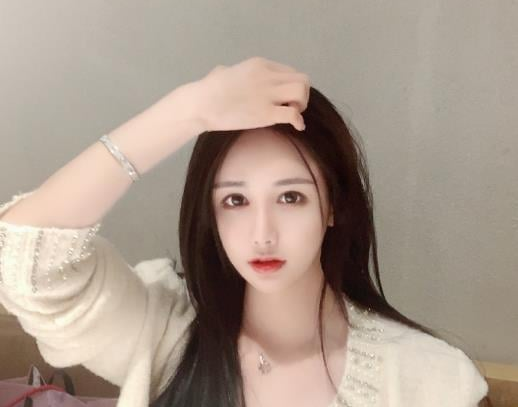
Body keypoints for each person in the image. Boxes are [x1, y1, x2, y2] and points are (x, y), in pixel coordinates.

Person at [0, 56, 490, 407]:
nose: (262, 234)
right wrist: (187, 110)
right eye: (235, 200)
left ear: (334, 206)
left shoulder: (431, 379)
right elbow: (25, 261)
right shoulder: (164, 328)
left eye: (291, 197)